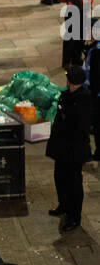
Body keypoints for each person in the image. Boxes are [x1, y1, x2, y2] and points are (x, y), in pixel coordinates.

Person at [46, 65, 92, 232]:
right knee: (60, 177)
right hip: (62, 146)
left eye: (72, 83)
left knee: (73, 182)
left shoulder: (84, 100)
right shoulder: (66, 95)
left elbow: (81, 127)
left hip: (74, 149)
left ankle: (74, 217)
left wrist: (65, 119)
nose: (69, 85)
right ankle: (63, 205)